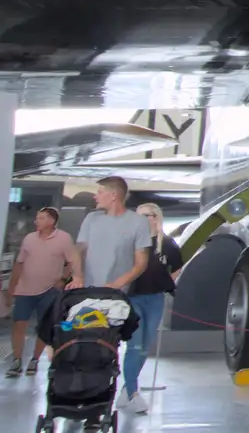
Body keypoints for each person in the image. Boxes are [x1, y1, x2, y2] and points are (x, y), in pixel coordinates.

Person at [71, 177, 151, 413]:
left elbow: (141, 262)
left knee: (109, 346)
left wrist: (118, 284)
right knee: (82, 344)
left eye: (100, 192)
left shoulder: (138, 223)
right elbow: (79, 250)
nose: (95, 196)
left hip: (117, 298)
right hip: (87, 295)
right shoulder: (91, 219)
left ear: (113, 195)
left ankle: (107, 396)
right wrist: (77, 276)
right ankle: (79, 394)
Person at [3, 207, 82, 377]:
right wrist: (11, 288)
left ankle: (35, 360)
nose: (36, 221)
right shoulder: (29, 239)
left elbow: (71, 261)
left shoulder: (63, 239)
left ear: (52, 221)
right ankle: (16, 361)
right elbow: (19, 263)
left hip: (49, 290)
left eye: (41, 218)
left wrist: (63, 278)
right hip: (25, 289)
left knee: (43, 327)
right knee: (19, 324)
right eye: (37, 218)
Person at [122, 203, 183, 411]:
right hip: (132, 298)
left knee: (144, 348)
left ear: (155, 217)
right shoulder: (130, 242)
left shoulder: (166, 243)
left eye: (146, 216)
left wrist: (165, 282)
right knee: (135, 345)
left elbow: (177, 265)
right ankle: (133, 391)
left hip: (155, 298)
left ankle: (128, 386)